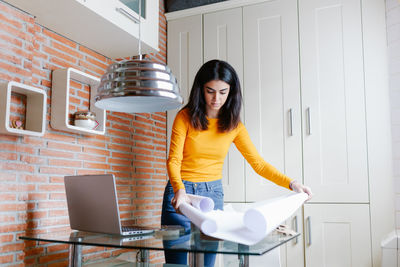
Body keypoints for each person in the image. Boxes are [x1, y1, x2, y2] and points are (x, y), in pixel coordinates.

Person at [161, 59, 312, 266]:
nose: (216, 98)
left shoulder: (234, 126)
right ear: (200, 89)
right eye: (210, 91)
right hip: (180, 193)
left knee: (208, 264)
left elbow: (258, 164)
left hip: (212, 196)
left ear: (231, 92)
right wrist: (179, 189)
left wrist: (292, 183)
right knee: (176, 264)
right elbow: (174, 159)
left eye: (223, 92)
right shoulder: (185, 117)